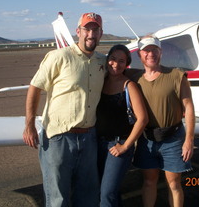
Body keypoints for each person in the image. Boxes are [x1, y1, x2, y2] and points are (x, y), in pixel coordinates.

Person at [23, 12, 106, 207]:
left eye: (95, 30)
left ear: (101, 33)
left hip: (89, 138)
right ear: (78, 31)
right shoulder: (58, 57)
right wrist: (29, 124)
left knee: (87, 197)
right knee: (57, 198)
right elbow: (35, 87)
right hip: (58, 139)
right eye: (87, 29)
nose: (91, 34)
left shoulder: (103, 62)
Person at [130, 36, 195, 207]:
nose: (151, 54)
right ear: (139, 54)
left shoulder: (176, 75)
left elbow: (188, 108)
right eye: (146, 51)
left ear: (160, 52)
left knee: (174, 184)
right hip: (146, 139)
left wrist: (189, 140)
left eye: (154, 50)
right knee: (149, 182)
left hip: (172, 138)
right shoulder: (135, 80)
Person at [95, 44, 148, 207]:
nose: (116, 64)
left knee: (107, 193)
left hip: (118, 145)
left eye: (121, 61)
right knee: (109, 192)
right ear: (107, 59)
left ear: (127, 64)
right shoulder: (100, 82)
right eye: (112, 59)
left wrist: (125, 146)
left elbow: (142, 119)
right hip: (98, 144)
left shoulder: (129, 86)